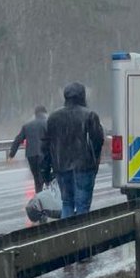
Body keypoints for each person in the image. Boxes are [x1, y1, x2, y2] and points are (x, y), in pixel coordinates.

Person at [41, 82, 105, 218]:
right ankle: (81, 235)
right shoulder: (89, 115)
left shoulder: (53, 117)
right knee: (82, 204)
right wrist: (94, 161)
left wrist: (45, 171)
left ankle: (67, 234)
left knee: (67, 203)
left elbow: (46, 146)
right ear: (82, 96)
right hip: (84, 166)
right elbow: (98, 140)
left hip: (61, 167)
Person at [8, 106, 48, 193]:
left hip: (31, 155)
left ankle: (39, 194)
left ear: (35, 114)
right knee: (46, 177)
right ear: (45, 113)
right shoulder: (47, 123)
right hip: (44, 154)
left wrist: (11, 154)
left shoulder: (27, 126)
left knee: (36, 178)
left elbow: (18, 140)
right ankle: (47, 196)